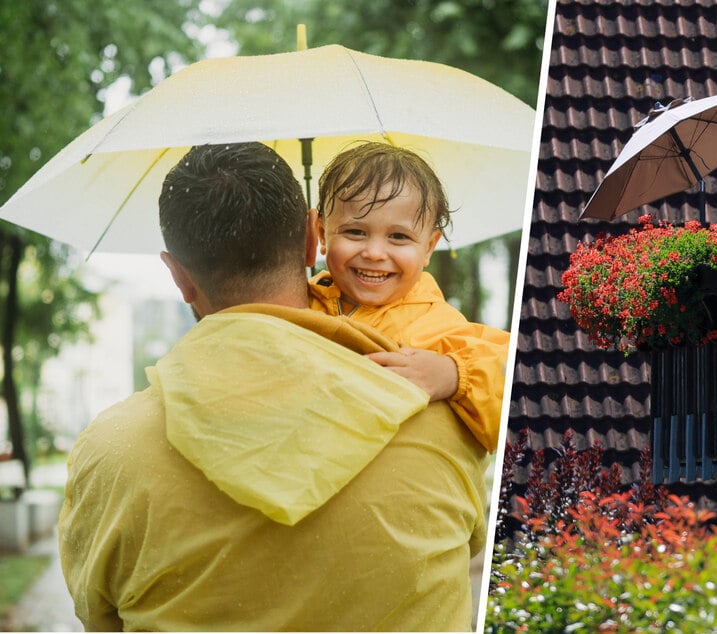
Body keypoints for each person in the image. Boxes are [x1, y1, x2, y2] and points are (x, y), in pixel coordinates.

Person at [57, 142, 489, 632]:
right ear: (312, 239)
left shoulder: (109, 452)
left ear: (178, 276)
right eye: (356, 231)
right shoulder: (439, 411)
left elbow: (99, 617)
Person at [311, 141, 509, 453]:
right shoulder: (299, 304)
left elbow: (509, 372)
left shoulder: (435, 322)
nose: (375, 253)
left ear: (429, 247)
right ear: (322, 234)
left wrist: (454, 375)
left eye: (398, 237)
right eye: (355, 232)